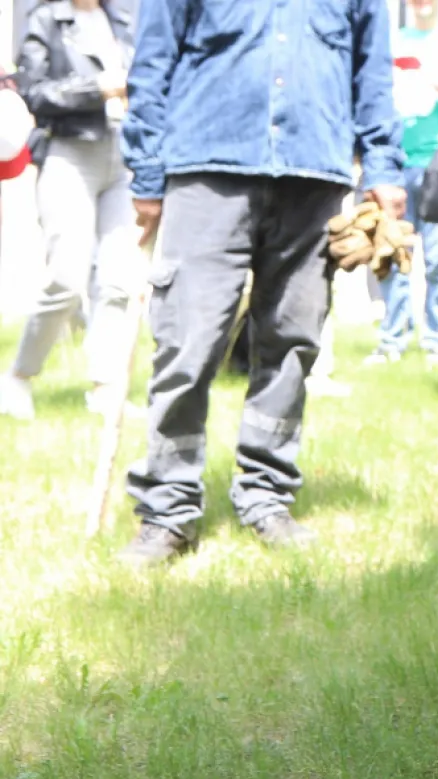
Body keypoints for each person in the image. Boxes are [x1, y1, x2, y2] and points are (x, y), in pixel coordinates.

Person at [117, 0, 407, 565]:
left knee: (292, 346)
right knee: (188, 345)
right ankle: (168, 509)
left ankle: (266, 495)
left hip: (313, 173)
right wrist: (147, 172)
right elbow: (151, 64)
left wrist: (384, 169)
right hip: (207, 168)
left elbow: (372, 71)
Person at [2, 0, 143, 423]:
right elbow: (35, 91)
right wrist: (98, 88)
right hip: (68, 154)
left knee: (119, 280)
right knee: (66, 277)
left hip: (121, 154)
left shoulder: (123, 18)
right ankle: (18, 377)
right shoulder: (45, 19)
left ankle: (106, 388)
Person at [367, 0, 438, 365]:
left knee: (437, 260)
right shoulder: (392, 40)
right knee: (393, 255)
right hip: (395, 164)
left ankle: (435, 339)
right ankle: (392, 339)